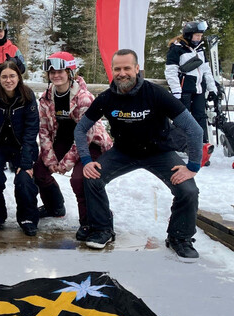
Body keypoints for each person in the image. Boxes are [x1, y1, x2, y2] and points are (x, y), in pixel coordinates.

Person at [75, 49, 202, 262]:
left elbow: (194, 129)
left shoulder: (156, 94)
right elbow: (80, 129)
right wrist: (87, 160)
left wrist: (193, 167)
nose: (122, 73)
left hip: (159, 152)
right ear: (112, 71)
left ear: (137, 69)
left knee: (188, 190)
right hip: (123, 153)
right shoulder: (107, 98)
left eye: (127, 68)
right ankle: (102, 229)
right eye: (117, 69)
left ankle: (179, 237)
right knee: (92, 177)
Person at [34, 52, 112, 241]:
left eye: (60, 71)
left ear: (70, 72)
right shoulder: (46, 97)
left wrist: (65, 164)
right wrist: (50, 159)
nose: (56, 75)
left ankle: (87, 221)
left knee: (79, 178)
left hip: (90, 142)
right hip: (62, 138)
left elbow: (85, 134)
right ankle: (54, 206)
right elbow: (43, 130)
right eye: (52, 72)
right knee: (39, 171)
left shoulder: (84, 98)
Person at [0, 60, 40, 236]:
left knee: (24, 179)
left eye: (12, 76)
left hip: (21, 146)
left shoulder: (27, 95)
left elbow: (31, 129)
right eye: (4, 76)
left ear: (18, 77)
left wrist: (26, 161)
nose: (8, 80)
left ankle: (28, 217)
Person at [165, 20, 217, 166]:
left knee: (200, 117)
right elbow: (171, 71)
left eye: (200, 36)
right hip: (184, 89)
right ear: (188, 35)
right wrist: (176, 91)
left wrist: (212, 88)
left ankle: (203, 149)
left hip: (199, 89)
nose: (198, 38)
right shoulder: (177, 49)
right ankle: (188, 148)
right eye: (196, 36)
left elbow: (206, 70)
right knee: (185, 121)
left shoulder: (200, 48)